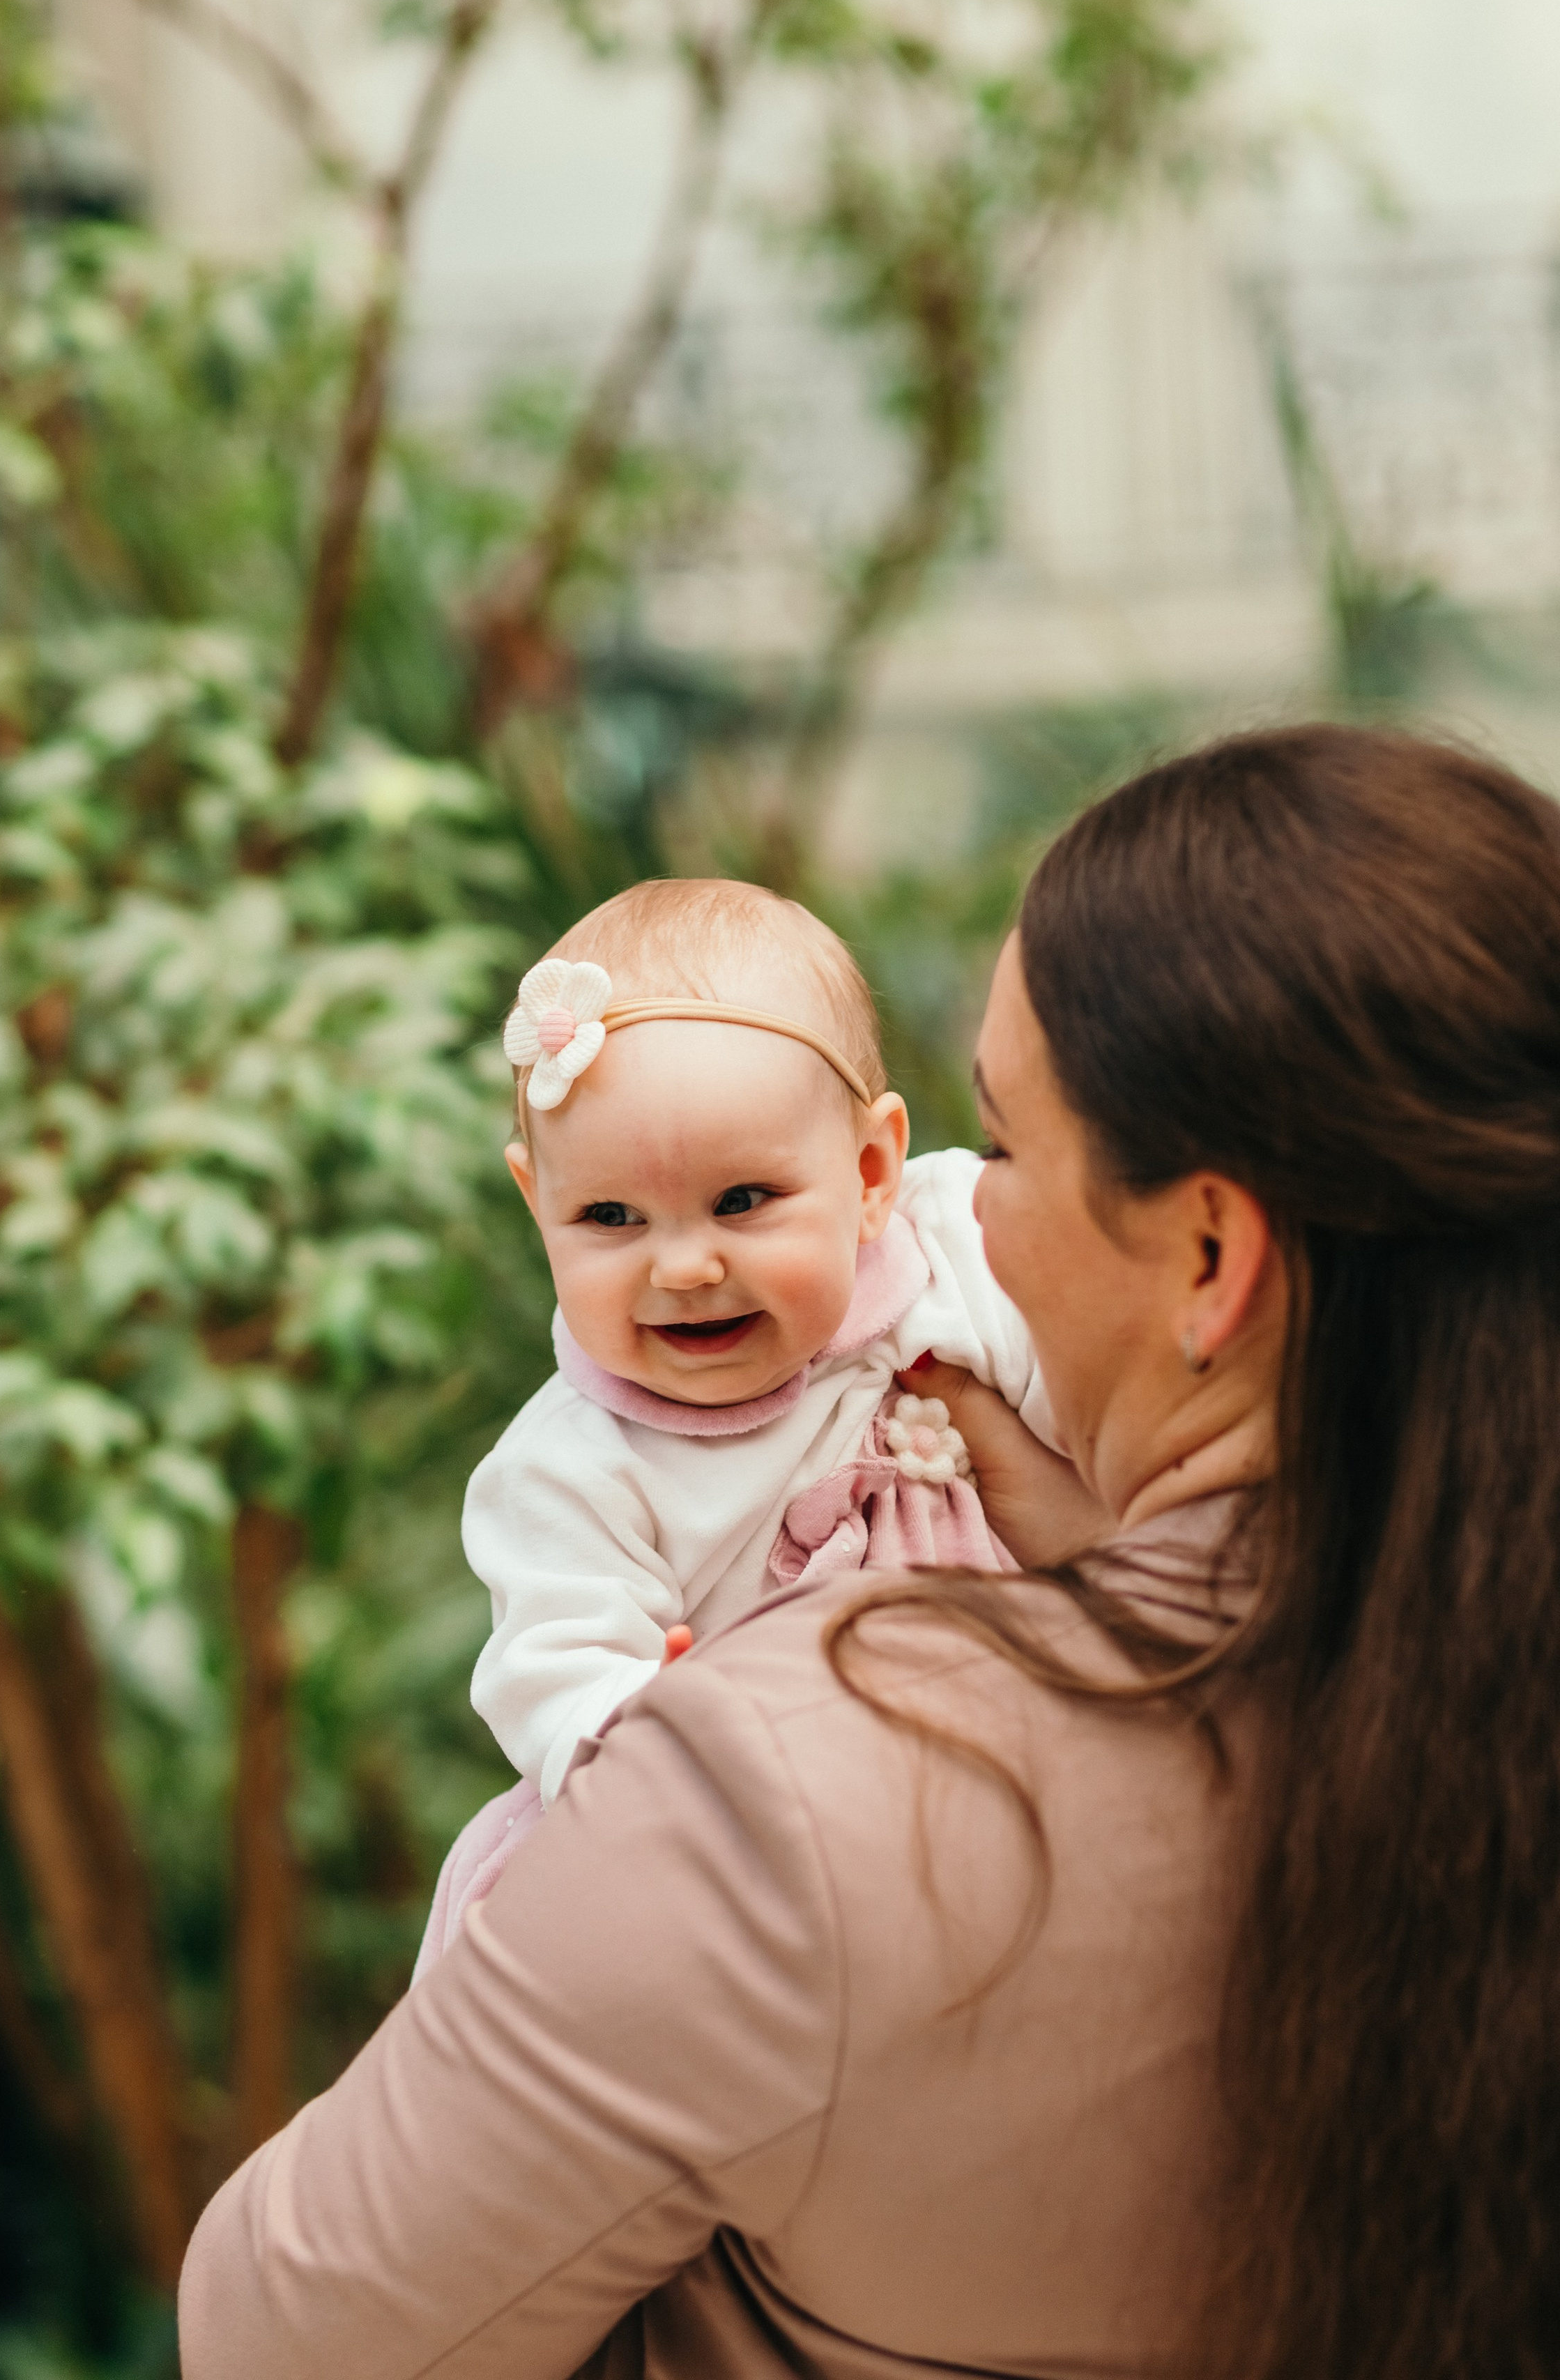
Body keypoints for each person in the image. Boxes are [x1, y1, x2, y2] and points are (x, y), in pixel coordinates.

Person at [180, 725, 1560, 2380]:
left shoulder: (771, 1818)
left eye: (1009, 1153)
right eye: (609, 1219)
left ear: (1208, 1255)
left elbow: (290, 2338)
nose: (965, 1222)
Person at [418, 878, 1057, 1971]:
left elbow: (1101, 1398)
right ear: (539, 1206)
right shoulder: (575, 1468)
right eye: (609, 1218)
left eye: (744, 1200)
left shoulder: (949, 1255)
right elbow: (558, 1678)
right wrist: (658, 1728)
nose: (684, 1265)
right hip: (743, 1861)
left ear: (870, 1173)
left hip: (1012, 1786)